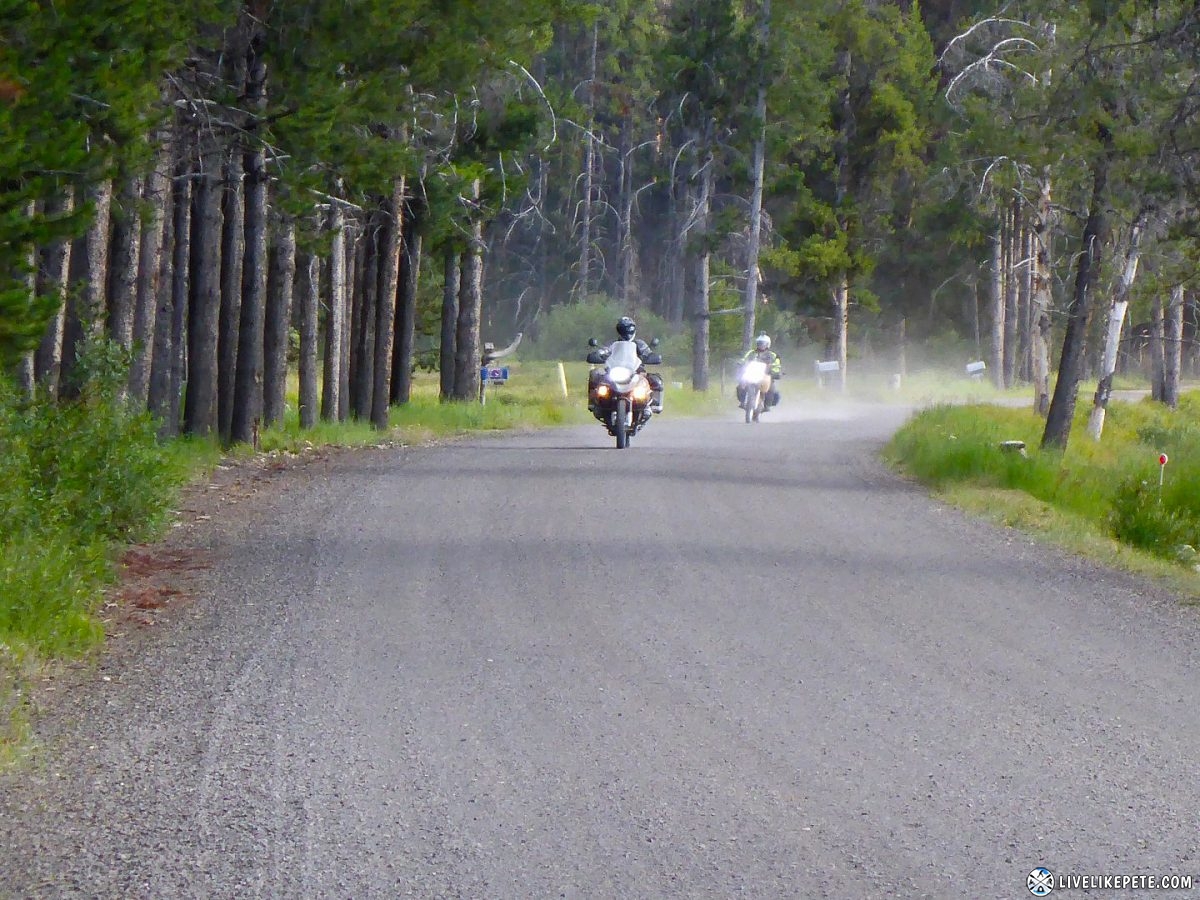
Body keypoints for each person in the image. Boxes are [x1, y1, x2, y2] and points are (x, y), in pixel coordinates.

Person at [588, 316, 665, 413]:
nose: (627, 332)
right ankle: (594, 403)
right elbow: (603, 351)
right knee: (595, 375)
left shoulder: (639, 344)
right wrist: (597, 355)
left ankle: (653, 405)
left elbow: (648, 353)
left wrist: (652, 357)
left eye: (629, 329)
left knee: (656, 380)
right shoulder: (612, 344)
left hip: (636, 373)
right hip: (614, 371)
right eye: (623, 329)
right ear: (618, 330)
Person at [737, 334, 783, 410]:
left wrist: (774, 371)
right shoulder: (751, 352)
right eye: (759, 343)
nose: (761, 345)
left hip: (766, 375)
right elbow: (744, 359)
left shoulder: (773, 355)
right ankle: (742, 402)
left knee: (771, 388)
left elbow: (777, 364)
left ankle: (767, 405)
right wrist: (741, 363)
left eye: (763, 343)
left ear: (768, 344)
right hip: (752, 373)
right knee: (741, 385)